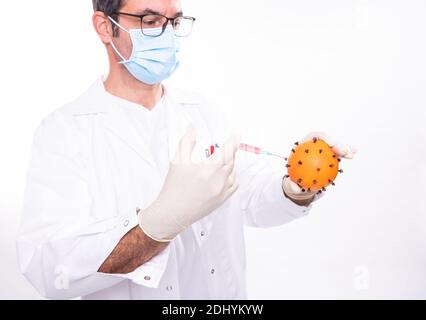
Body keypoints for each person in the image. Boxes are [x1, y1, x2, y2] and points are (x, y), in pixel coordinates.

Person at [16, 0, 356, 300]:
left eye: (173, 21)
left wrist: (294, 186)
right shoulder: (64, 132)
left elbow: (249, 197)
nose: (166, 35)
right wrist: (155, 226)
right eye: (149, 21)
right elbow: (50, 268)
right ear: (105, 26)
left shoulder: (202, 112)